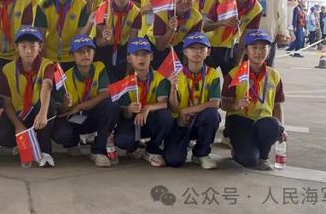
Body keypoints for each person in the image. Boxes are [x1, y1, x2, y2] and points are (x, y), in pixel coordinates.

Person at [0, 26, 57, 167]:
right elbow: (7, 103)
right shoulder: (7, 70)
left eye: (33, 46)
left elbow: (47, 84)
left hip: (38, 113)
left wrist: (43, 113)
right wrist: (18, 126)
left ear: (40, 47)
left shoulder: (48, 64)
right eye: (23, 46)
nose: (28, 51)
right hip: (18, 114)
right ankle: (23, 144)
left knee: (48, 101)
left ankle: (45, 151)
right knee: (0, 136)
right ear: (16, 47)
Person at [221, 29, 287, 170]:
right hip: (240, 121)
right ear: (246, 50)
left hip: (264, 121)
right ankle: (239, 147)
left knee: (274, 126)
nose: (259, 52)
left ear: (269, 50)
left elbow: (277, 106)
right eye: (254, 48)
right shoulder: (234, 74)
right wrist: (236, 105)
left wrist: (282, 128)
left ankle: (263, 156)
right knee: (248, 160)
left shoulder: (274, 75)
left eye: (263, 48)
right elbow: (224, 105)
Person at [52, 35, 120, 167]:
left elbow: (105, 93)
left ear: (94, 53)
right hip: (75, 120)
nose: (85, 55)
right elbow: (60, 111)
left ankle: (98, 150)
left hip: (93, 116)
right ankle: (72, 142)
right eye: (80, 52)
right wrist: (66, 105)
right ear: (72, 55)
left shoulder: (99, 67)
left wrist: (80, 106)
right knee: (61, 134)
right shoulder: (66, 78)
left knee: (112, 105)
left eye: (89, 51)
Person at [164, 33, 221, 169]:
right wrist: (172, 88)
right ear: (185, 51)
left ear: (208, 51)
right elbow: (173, 109)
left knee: (212, 115)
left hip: (200, 121)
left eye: (201, 48)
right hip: (180, 122)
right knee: (174, 160)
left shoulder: (212, 74)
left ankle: (201, 153)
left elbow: (215, 103)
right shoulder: (176, 74)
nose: (197, 52)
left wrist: (187, 110)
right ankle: (179, 145)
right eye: (192, 48)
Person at [113, 38, 172, 167]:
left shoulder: (160, 78)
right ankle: (132, 149)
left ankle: (152, 149)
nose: (141, 59)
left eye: (145, 54)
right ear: (129, 58)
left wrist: (146, 109)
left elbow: (164, 103)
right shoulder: (125, 82)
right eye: (136, 55)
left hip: (150, 119)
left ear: (151, 56)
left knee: (166, 116)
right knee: (122, 140)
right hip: (132, 122)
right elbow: (125, 114)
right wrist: (129, 109)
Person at [203, 0, 262, 73]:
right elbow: (205, 27)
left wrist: (237, 61)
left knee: (232, 82)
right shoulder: (222, 0)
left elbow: (246, 37)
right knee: (207, 80)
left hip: (230, 48)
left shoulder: (256, 8)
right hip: (210, 45)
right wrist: (222, 23)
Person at [34, 0, 91, 70]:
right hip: (49, 57)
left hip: (72, 58)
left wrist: (89, 23)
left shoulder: (81, 5)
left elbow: (80, 37)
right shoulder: (42, 5)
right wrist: (45, 63)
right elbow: (41, 38)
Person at [94, 0, 141, 82]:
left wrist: (129, 67)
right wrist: (105, 39)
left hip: (122, 50)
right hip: (103, 49)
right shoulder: (102, 8)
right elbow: (97, 43)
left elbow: (132, 42)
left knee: (120, 81)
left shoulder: (136, 12)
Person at [151, 0, 203, 67]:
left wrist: (187, 68)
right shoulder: (161, 12)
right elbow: (160, 47)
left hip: (174, 46)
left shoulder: (197, 17)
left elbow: (190, 45)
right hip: (153, 44)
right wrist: (171, 31)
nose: (184, 1)